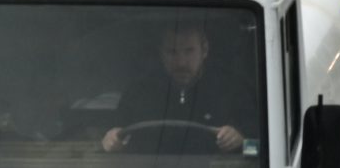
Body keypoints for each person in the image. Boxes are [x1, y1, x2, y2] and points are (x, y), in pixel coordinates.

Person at [102, 22, 254, 155]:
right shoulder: (139, 91)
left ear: (205, 50)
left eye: (189, 51)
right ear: (161, 53)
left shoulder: (233, 90)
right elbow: (109, 137)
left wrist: (240, 141)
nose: (181, 62)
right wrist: (111, 140)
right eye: (172, 52)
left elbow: (258, 147)